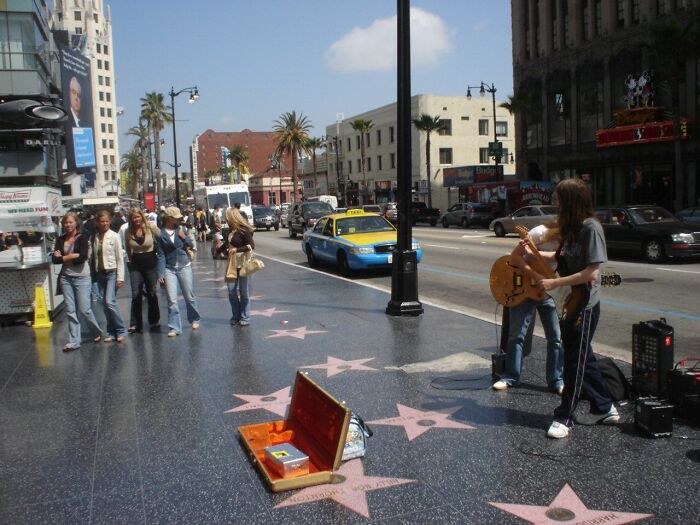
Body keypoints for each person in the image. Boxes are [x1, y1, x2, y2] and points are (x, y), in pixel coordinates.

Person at [519, 178, 618, 439]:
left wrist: (554, 282)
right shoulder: (572, 228)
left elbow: (591, 271)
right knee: (583, 356)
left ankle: (565, 416)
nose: (555, 202)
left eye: (559, 198)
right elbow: (563, 258)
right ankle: (605, 406)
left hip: (584, 305)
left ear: (572, 200)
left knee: (574, 360)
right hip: (570, 302)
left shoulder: (591, 228)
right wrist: (532, 256)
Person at [492, 223, 564, 394]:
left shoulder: (573, 238)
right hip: (526, 289)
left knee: (556, 338)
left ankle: (556, 380)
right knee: (517, 335)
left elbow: (563, 258)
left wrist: (537, 255)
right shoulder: (539, 232)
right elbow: (515, 256)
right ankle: (510, 376)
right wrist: (535, 275)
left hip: (549, 293)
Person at [52, 212, 102, 351]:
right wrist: (71, 255)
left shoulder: (82, 238)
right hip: (66, 277)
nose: (68, 225)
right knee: (70, 310)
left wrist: (64, 257)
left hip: (82, 277)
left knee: (85, 309)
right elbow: (55, 260)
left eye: (70, 222)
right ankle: (74, 341)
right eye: (66, 223)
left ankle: (96, 331)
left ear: (76, 223)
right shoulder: (60, 239)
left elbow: (82, 258)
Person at [156, 207, 201, 337]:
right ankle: (174, 327)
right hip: (169, 268)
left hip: (183, 265)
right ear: (169, 219)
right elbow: (160, 255)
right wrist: (160, 274)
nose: (179, 219)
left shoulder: (180, 230)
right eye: (177, 218)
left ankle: (195, 318)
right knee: (172, 299)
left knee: (189, 296)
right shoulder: (160, 234)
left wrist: (184, 237)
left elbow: (191, 245)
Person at [91, 210, 127, 343]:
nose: (105, 223)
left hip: (112, 272)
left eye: (107, 221)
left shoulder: (114, 236)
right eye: (102, 221)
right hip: (100, 273)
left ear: (110, 222)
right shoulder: (95, 237)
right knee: (104, 304)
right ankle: (111, 332)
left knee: (110, 302)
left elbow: (119, 258)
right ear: (97, 222)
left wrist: (120, 277)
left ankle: (121, 330)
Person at [124, 208, 161, 333]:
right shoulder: (128, 231)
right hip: (135, 264)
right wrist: (130, 260)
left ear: (142, 216)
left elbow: (162, 237)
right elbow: (128, 248)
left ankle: (154, 319)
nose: (136, 219)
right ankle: (135, 323)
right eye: (134, 217)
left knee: (151, 292)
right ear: (131, 219)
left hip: (150, 262)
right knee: (136, 294)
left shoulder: (150, 227)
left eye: (138, 217)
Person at [218, 208, 254, 326]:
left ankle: (245, 317)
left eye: (228, 218)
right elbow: (228, 244)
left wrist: (237, 249)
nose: (226, 220)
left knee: (244, 292)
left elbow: (251, 246)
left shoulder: (244, 231)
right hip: (232, 264)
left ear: (233, 218)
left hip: (243, 264)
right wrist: (219, 250)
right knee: (231, 291)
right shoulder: (231, 231)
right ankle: (236, 315)